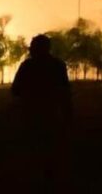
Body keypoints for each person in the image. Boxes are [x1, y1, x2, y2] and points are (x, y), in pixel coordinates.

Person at [11, 32, 74, 181]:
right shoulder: (58, 65)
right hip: (51, 114)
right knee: (50, 150)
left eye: (32, 47)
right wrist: (67, 113)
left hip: (31, 114)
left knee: (33, 150)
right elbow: (65, 91)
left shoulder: (27, 66)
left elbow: (15, 90)